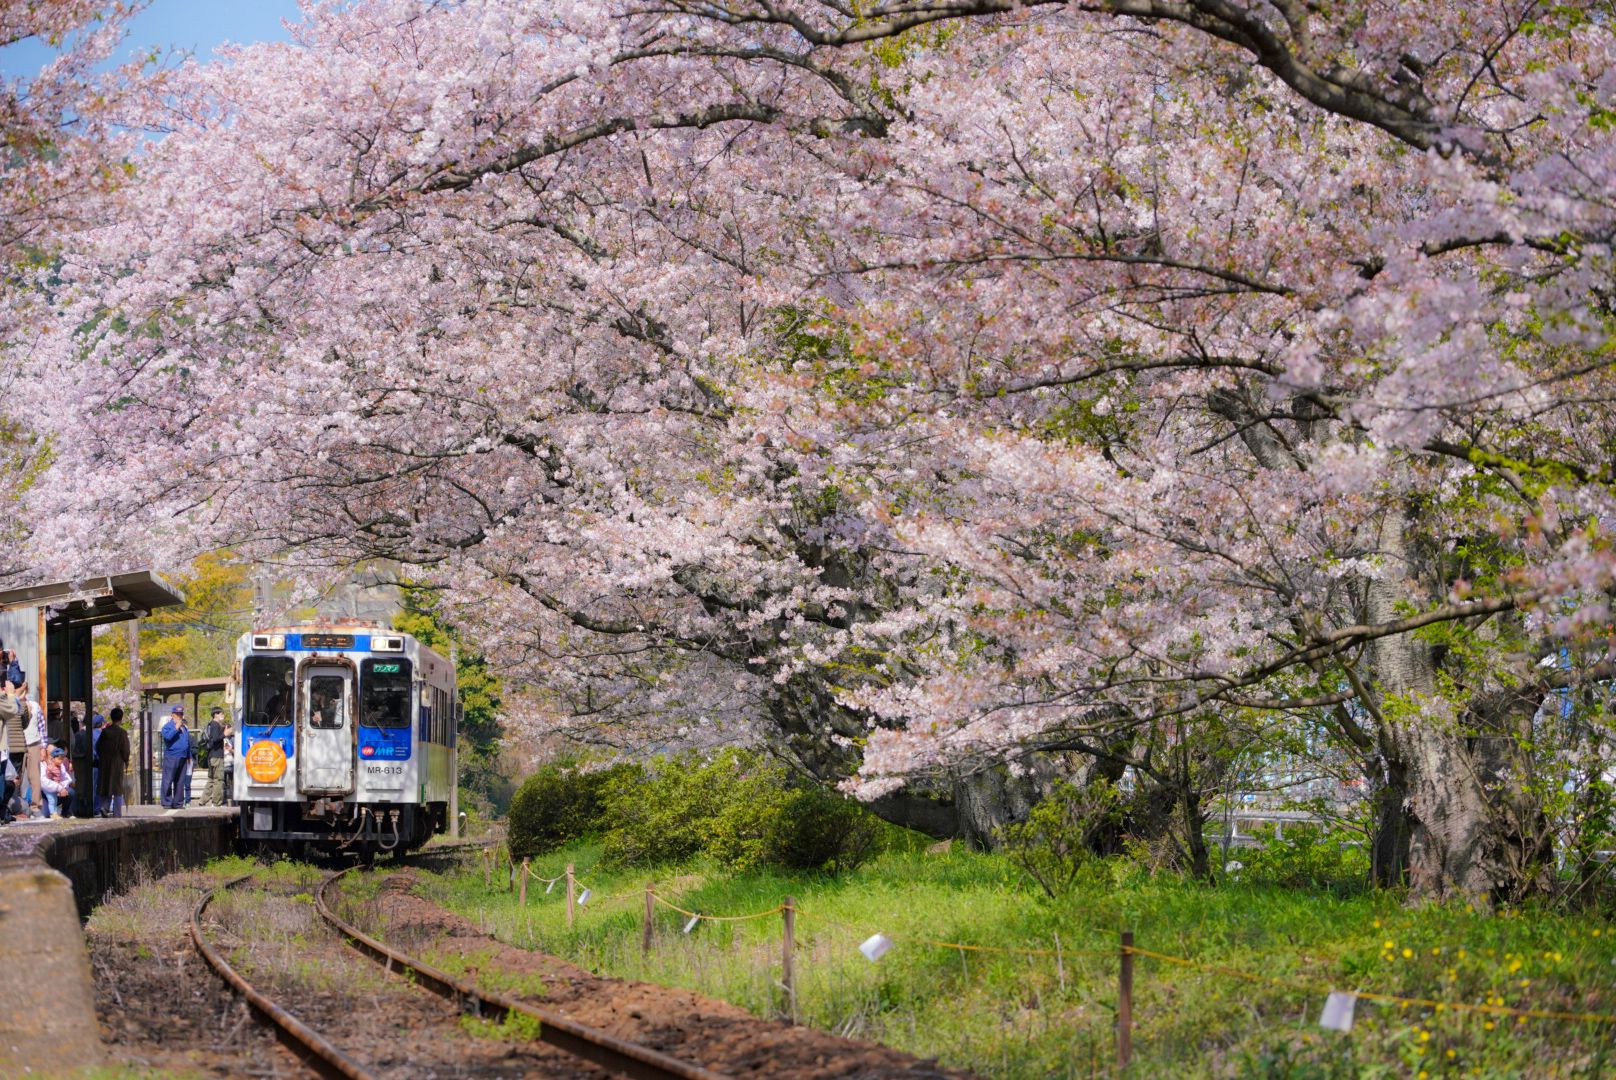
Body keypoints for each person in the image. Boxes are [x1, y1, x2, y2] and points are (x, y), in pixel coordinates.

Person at [97, 708, 131, 818]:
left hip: (105, 762)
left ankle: (104, 807)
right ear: (121, 718)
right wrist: (126, 760)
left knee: (106, 785)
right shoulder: (122, 733)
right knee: (117, 788)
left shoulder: (105, 732)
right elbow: (125, 749)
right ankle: (117, 813)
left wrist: (103, 757)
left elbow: (98, 746)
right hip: (117, 763)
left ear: (111, 717)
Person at [19, 685, 43, 818]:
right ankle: (16, 805)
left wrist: (43, 746)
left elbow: (41, 727)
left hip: (33, 742)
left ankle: (36, 806)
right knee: (16, 776)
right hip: (18, 744)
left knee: (34, 776)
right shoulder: (12, 704)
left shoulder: (35, 705)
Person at [159, 706, 190, 810]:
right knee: (168, 780)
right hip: (172, 756)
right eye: (177, 714)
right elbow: (168, 737)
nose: (179, 716)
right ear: (172, 715)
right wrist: (176, 727)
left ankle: (178, 803)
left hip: (183, 756)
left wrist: (189, 756)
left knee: (180, 781)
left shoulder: (184, 727)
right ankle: (167, 802)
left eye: (181, 714)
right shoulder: (167, 726)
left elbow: (187, 742)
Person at [202, 706, 226, 806]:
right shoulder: (215, 724)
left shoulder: (210, 724)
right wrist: (225, 734)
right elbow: (216, 739)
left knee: (211, 779)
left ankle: (203, 801)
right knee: (218, 780)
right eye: (221, 713)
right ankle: (216, 802)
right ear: (215, 714)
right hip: (217, 756)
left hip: (211, 755)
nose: (223, 715)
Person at [40, 746, 72, 818]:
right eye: (59, 759)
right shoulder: (49, 767)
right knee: (52, 800)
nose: (61, 761)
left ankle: (60, 813)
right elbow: (45, 781)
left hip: (57, 787)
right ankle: (53, 813)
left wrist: (62, 785)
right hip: (47, 789)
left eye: (62, 759)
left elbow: (67, 779)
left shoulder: (60, 766)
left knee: (56, 798)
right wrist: (58, 786)